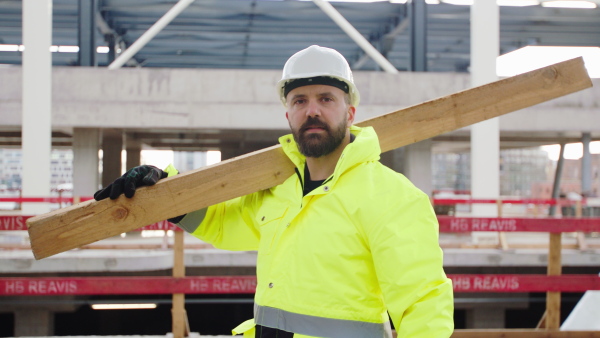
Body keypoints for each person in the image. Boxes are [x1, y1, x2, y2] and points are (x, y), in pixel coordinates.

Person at [96, 45, 454, 338]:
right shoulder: (280, 188)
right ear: (288, 116)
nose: (312, 111)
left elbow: (423, 305)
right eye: (299, 101)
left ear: (351, 112)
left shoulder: (393, 197)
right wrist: (164, 187)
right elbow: (222, 221)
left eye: (326, 99)